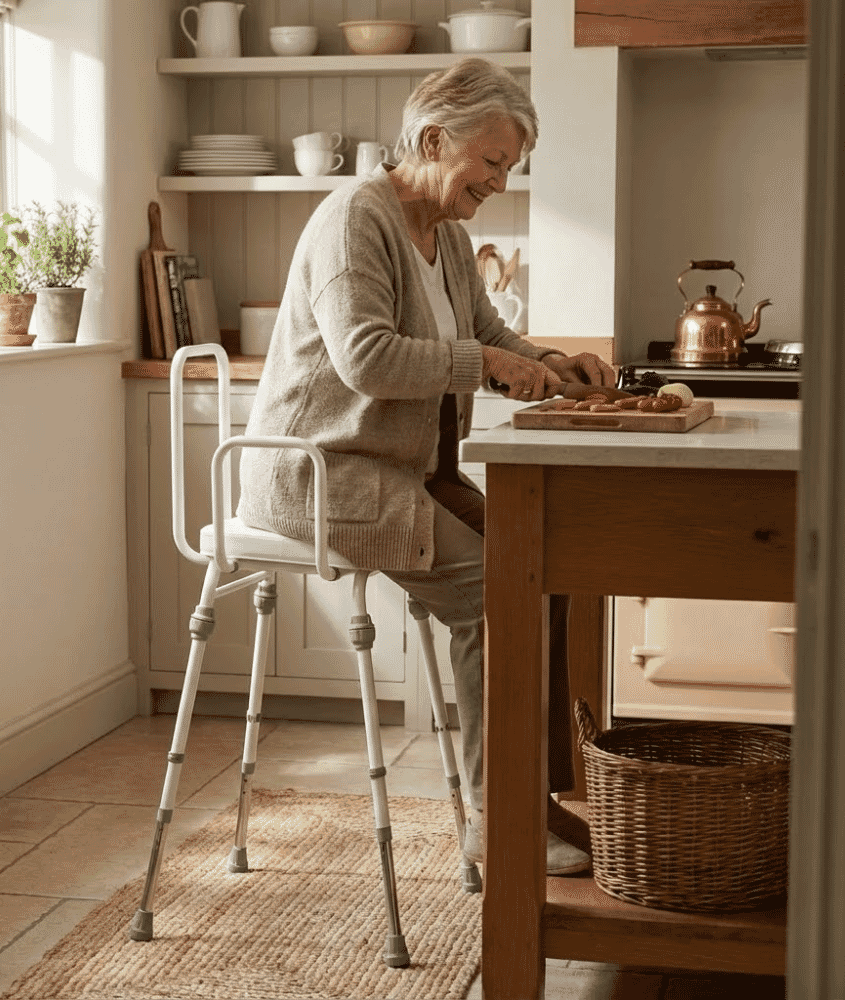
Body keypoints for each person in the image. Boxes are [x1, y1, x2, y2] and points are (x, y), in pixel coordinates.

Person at [237, 57, 614, 874]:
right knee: (492, 590)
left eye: (509, 169)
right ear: (435, 136)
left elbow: (493, 337)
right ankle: (497, 819)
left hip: (402, 469)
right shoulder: (354, 219)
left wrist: (555, 359)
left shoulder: (445, 234)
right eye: (493, 162)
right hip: (320, 470)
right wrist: (484, 362)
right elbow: (367, 361)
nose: (499, 182)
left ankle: (538, 795)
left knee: (548, 568)